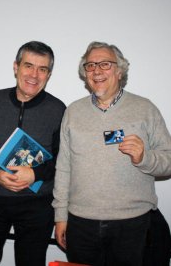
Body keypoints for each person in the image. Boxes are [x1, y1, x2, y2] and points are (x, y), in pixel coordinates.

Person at [52, 41, 171, 266]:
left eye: (105, 64)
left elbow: (169, 159)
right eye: (90, 65)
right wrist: (60, 216)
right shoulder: (73, 112)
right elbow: (64, 167)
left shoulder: (145, 109)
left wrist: (145, 158)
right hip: (81, 224)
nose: (97, 70)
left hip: (132, 224)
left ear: (119, 71)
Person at [0, 41, 66, 266]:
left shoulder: (58, 109)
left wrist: (35, 174)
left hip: (38, 206)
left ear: (49, 74)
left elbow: (64, 159)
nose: (34, 74)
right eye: (28, 66)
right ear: (16, 67)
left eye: (42, 69)